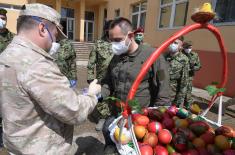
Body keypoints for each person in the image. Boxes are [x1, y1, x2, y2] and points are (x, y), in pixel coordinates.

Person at [0, 3, 101, 154]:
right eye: (54, 34)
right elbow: (74, 111)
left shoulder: (7, 55)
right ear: (42, 29)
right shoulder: (36, 64)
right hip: (43, 148)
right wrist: (92, 95)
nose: (55, 41)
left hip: (18, 145)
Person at [101, 17, 171, 154]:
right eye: (111, 40)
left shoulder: (153, 56)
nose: (113, 44)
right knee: (109, 137)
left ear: (131, 36)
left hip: (140, 120)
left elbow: (164, 89)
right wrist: (96, 95)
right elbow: (107, 83)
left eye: (117, 40)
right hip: (117, 115)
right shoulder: (116, 57)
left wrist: (159, 119)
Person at [87, 20, 114, 131]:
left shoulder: (119, 43)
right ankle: (102, 118)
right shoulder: (98, 44)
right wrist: (90, 76)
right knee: (102, 98)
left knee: (115, 97)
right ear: (106, 30)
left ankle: (113, 117)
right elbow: (91, 61)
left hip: (116, 77)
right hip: (102, 77)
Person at [165, 36, 190, 107]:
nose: (172, 44)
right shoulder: (164, 56)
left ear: (181, 47)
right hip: (159, 91)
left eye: (175, 43)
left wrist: (179, 101)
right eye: (171, 42)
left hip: (172, 93)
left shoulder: (184, 59)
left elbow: (184, 81)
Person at [182, 41, 201, 109]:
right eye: (187, 47)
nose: (189, 49)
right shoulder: (180, 54)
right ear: (183, 47)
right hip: (180, 77)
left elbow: (199, 66)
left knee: (188, 93)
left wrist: (192, 68)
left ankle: (187, 107)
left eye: (190, 47)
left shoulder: (195, 55)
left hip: (189, 77)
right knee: (179, 92)